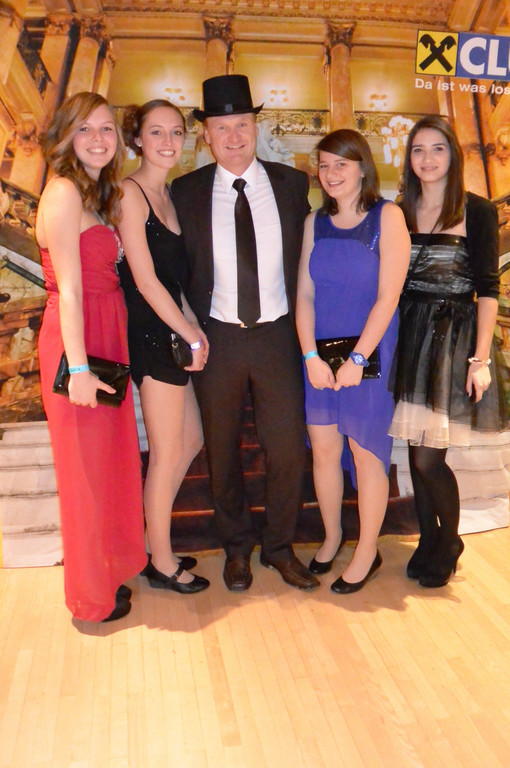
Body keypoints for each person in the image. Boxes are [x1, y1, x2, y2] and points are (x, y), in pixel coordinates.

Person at [171, 74, 318, 591]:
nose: (233, 136)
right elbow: (175, 269)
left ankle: (279, 547)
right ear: (206, 135)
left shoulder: (291, 184)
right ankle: (236, 547)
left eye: (242, 124)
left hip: (278, 336)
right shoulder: (185, 191)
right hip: (218, 337)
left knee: (287, 449)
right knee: (222, 449)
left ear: (256, 127)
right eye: (221, 127)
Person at [36, 92, 147, 622]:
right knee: (82, 473)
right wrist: (78, 368)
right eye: (85, 129)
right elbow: (69, 291)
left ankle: (107, 571)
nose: (98, 139)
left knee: (106, 465)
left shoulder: (96, 193)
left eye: (106, 128)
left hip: (104, 333)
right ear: (66, 136)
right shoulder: (62, 191)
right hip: (77, 340)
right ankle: (88, 598)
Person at [390, 115, 508, 588]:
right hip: (410, 332)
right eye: (418, 149)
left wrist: (480, 360)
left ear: (453, 155)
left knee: (429, 458)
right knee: (414, 447)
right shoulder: (399, 210)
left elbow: (488, 290)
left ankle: (451, 540)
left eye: (437, 148)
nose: (428, 159)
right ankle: (427, 539)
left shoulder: (476, 210)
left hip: (453, 337)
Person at [296, 129, 410, 594]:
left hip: (371, 352)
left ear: (363, 167)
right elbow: (304, 294)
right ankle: (332, 537)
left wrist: (358, 357)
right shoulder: (314, 222)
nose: (331, 173)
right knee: (323, 450)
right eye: (324, 165)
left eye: (341, 164)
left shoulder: (389, 216)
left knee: (366, 454)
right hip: (320, 355)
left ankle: (366, 551)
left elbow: (389, 297)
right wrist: (309, 355)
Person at [117, 99, 210, 594]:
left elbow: (175, 283)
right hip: (152, 336)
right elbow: (146, 280)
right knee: (167, 451)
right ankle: (162, 561)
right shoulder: (129, 193)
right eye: (156, 132)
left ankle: (152, 542)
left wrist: (194, 326)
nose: (169, 141)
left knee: (189, 442)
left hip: (172, 329)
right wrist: (188, 333)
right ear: (137, 139)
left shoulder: (169, 194)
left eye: (176, 132)